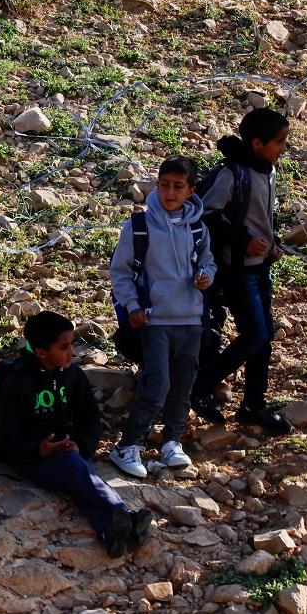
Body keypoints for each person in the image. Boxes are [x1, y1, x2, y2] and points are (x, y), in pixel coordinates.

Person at [0, 311, 154, 558]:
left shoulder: (73, 376)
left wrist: (81, 445)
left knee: (78, 475)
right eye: (64, 347)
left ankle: (111, 531)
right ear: (42, 352)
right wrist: (38, 449)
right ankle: (125, 514)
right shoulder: (17, 382)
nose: (72, 353)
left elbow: (90, 420)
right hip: (31, 458)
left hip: (68, 451)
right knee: (76, 471)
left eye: (72, 344)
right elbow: (4, 439)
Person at [109, 157, 216, 478]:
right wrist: (132, 307)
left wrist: (205, 276)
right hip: (155, 321)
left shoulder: (198, 227)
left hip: (191, 320)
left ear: (190, 190)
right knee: (157, 384)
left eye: (177, 186)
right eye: (164, 184)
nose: (170, 192)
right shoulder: (139, 226)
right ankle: (128, 445)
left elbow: (208, 262)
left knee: (183, 385)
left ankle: (171, 441)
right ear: (157, 184)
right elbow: (121, 272)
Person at [191, 109, 293, 435]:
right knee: (255, 335)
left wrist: (271, 242)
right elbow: (205, 214)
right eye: (279, 142)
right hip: (236, 270)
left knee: (263, 339)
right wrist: (245, 240)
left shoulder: (267, 170)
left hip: (260, 267)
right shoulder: (232, 174)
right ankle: (198, 385)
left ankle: (253, 405)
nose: (284, 148)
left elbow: (261, 215)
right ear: (257, 143)